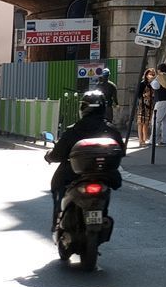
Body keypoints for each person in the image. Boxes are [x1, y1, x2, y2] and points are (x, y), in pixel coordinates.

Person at [45, 89, 124, 230]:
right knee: (111, 186)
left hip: (74, 173)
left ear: (83, 108)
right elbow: (121, 152)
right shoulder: (112, 130)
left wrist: (49, 156)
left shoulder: (74, 129)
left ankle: (58, 220)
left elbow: (58, 154)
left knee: (57, 185)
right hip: (104, 174)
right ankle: (102, 214)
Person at [151, 62, 166, 145]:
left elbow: (155, 86)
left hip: (161, 100)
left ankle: (153, 140)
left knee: (156, 120)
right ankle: (164, 140)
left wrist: (152, 80)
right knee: (165, 121)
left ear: (159, 70)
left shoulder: (159, 78)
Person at [137, 66, 156, 146]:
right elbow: (138, 95)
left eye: (152, 74)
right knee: (141, 123)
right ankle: (141, 140)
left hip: (150, 105)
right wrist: (145, 95)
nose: (151, 75)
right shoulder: (142, 83)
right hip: (142, 105)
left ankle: (145, 139)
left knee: (146, 123)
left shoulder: (153, 84)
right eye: (150, 74)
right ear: (146, 74)